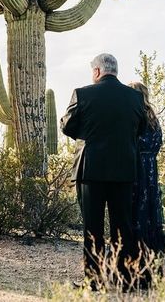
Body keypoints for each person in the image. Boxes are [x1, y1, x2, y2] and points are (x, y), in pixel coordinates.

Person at [62, 54, 146, 288]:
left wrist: (87, 132)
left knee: (93, 227)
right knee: (123, 226)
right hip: (124, 171)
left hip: (91, 170)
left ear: (97, 71)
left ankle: (94, 281)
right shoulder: (136, 98)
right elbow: (141, 128)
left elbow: (67, 125)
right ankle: (125, 279)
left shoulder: (83, 93)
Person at [129, 81, 165, 264]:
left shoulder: (133, 116)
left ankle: (135, 252)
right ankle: (152, 253)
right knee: (149, 208)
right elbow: (158, 143)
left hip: (135, 166)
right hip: (151, 167)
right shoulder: (153, 118)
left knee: (135, 207)